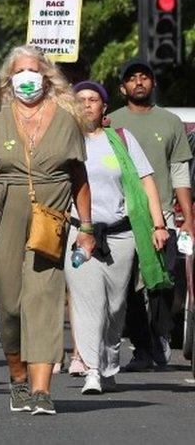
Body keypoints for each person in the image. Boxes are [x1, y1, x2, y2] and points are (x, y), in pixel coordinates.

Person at [0, 44, 94, 415]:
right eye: (18, 72)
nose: (26, 78)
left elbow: (79, 175)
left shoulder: (66, 118)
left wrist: (87, 226)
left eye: (33, 71)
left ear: (46, 76)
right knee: (12, 305)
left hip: (51, 214)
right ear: (8, 79)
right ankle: (18, 377)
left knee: (43, 299)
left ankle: (43, 390)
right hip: (5, 213)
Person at [68, 81, 168, 394]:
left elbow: (146, 181)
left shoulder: (121, 140)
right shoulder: (65, 141)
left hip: (120, 235)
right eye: (80, 99)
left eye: (93, 99)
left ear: (104, 107)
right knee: (88, 301)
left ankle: (108, 364)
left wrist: (159, 224)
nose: (86, 104)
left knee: (114, 307)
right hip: (80, 233)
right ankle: (92, 370)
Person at [108, 59, 193, 371]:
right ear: (122, 88)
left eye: (144, 77)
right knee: (127, 286)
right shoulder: (111, 122)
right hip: (122, 215)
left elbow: (179, 172)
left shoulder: (170, 122)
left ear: (153, 84)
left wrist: (189, 219)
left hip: (163, 216)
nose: (139, 82)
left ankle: (161, 335)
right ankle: (142, 348)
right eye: (132, 78)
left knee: (162, 281)